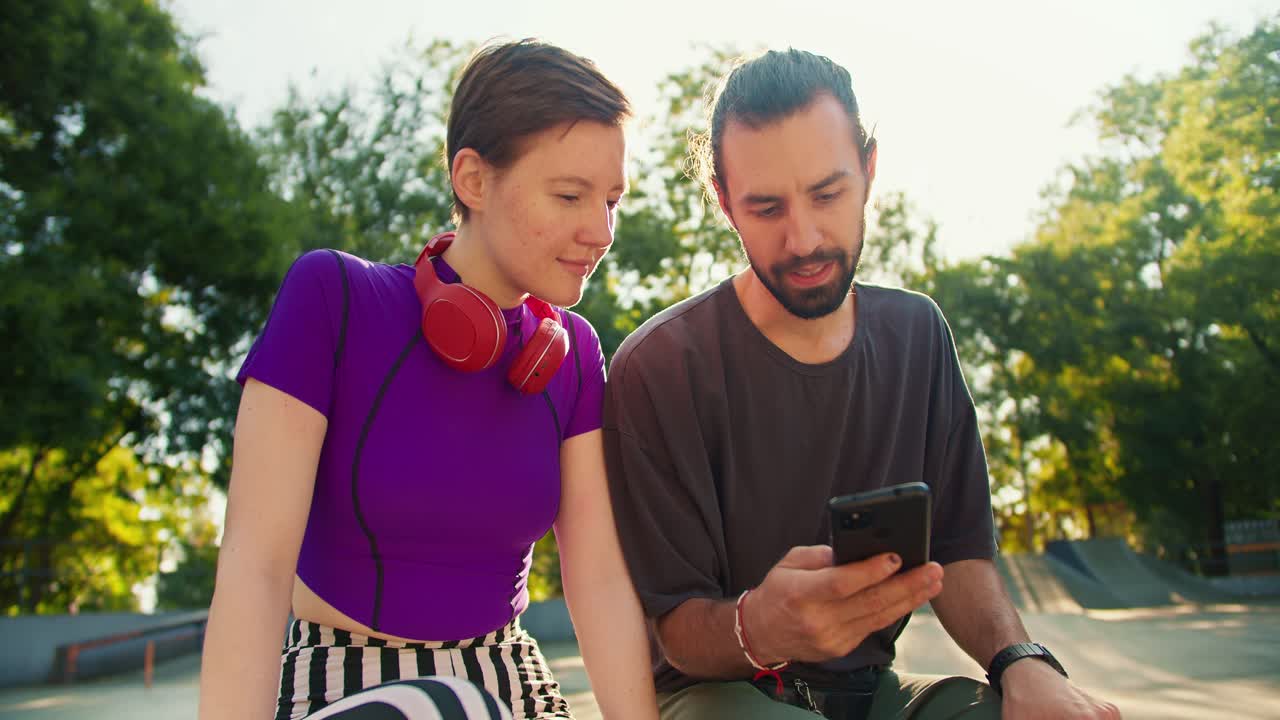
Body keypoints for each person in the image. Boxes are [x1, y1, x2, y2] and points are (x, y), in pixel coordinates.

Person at [602, 48, 1121, 720]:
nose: (805, 238)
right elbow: (676, 630)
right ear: (725, 203)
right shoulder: (660, 366)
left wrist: (1022, 663)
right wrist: (761, 627)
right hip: (717, 696)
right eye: (766, 208)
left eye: (828, 193)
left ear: (870, 171)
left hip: (874, 694)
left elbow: (960, 556)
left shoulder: (918, 335)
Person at [199, 39, 658, 720]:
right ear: (472, 179)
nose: (601, 231)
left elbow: (598, 582)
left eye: (612, 201)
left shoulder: (574, 354)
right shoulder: (334, 299)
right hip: (344, 679)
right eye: (570, 196)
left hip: (509, 680)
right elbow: (254, 567)